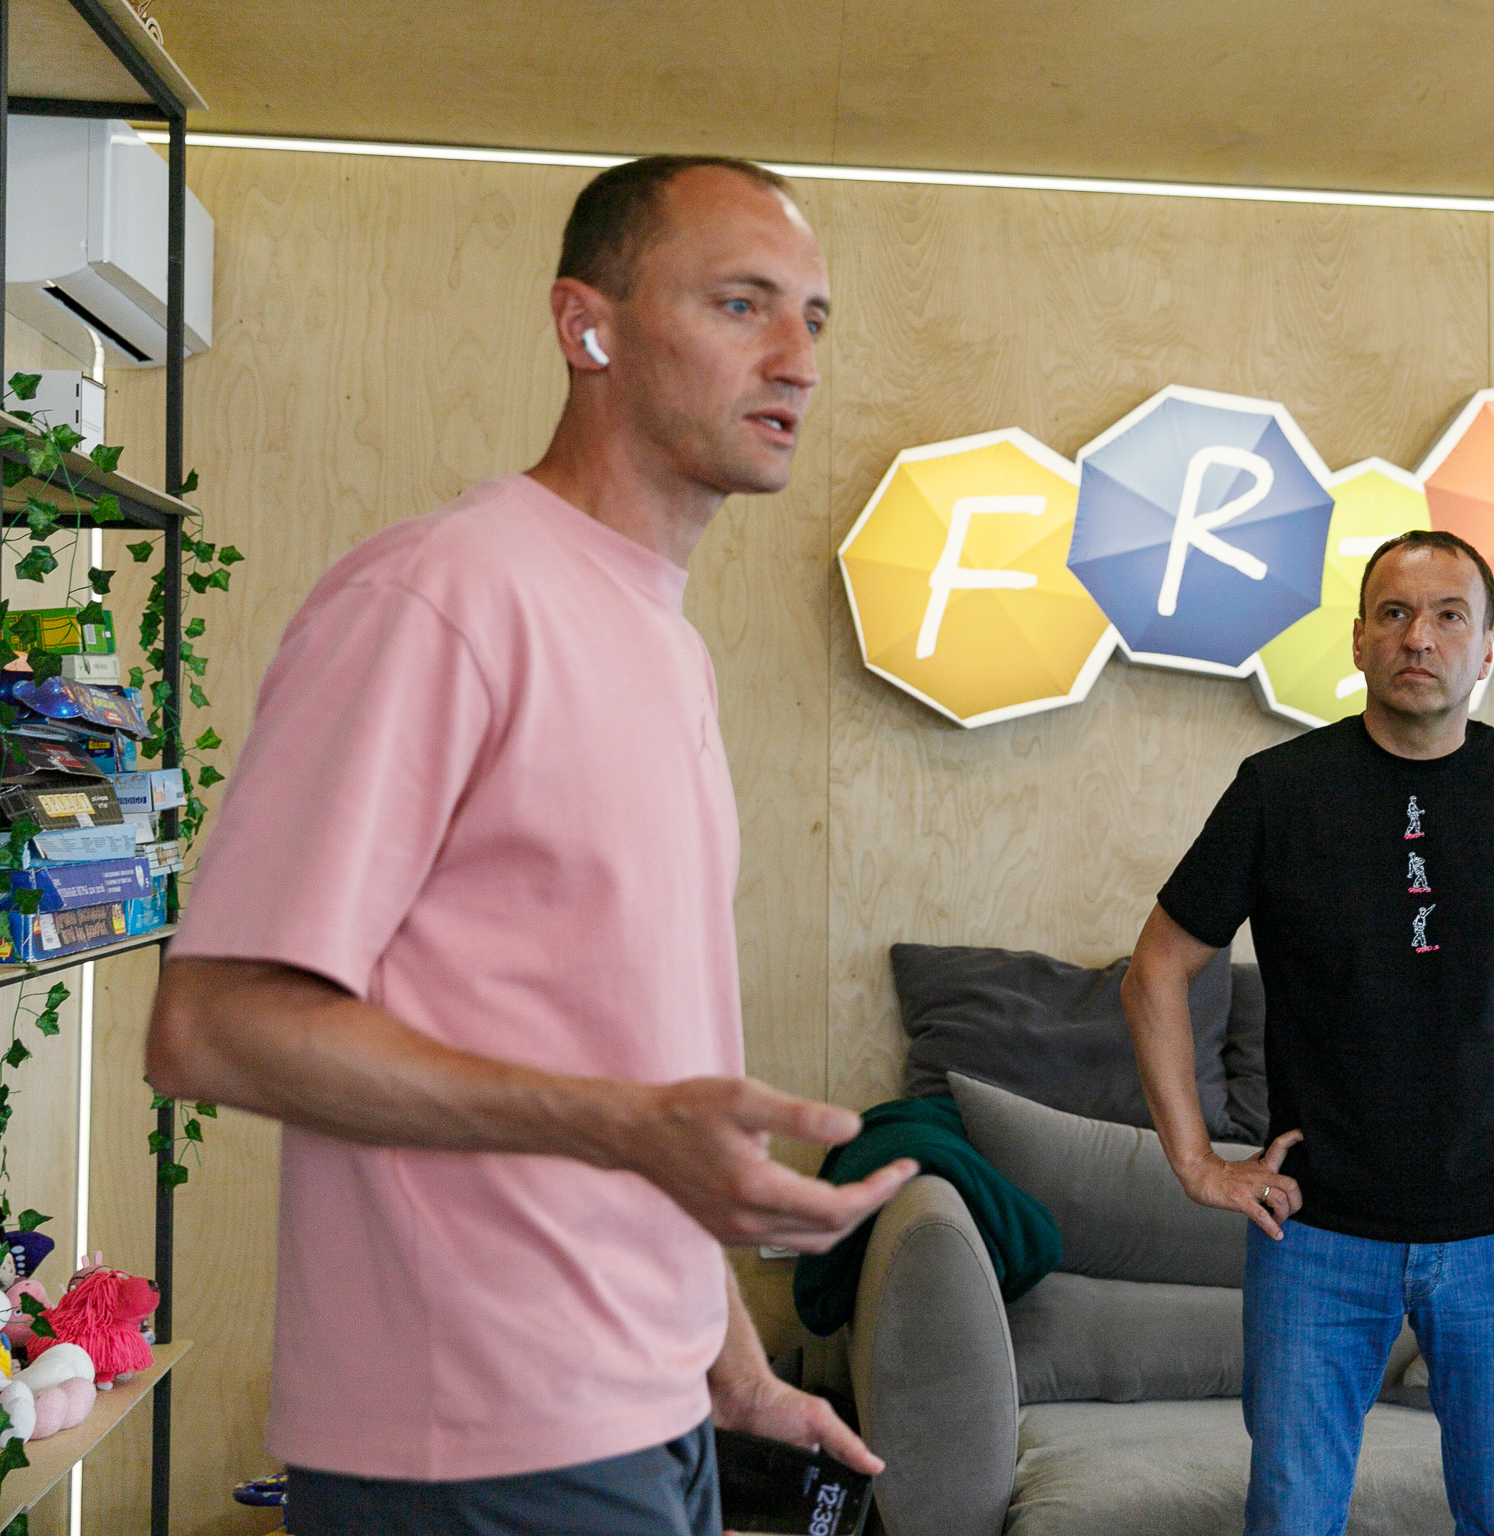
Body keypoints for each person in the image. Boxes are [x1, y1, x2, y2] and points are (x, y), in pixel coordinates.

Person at [144, 156, 916, 1536]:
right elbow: (213, 1026)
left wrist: (734, 1368)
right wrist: (623, 1124)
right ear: (586, 325)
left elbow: (625, 1044)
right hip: (477, 1437)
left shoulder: (663, 639)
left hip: (652, 1411)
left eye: (814, 317)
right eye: (741, 303)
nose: (799, 359)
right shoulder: (443, 594)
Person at [1123, 529, 1494, 1536]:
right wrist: (1196, 1161)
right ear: (1358, 641)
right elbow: (1155, 970)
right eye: (1393, 613)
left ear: (1487, 650)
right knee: (1292, 1514)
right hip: (1315, 1235)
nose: (1417, 636)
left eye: (1447, 615)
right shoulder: (1279, 790)